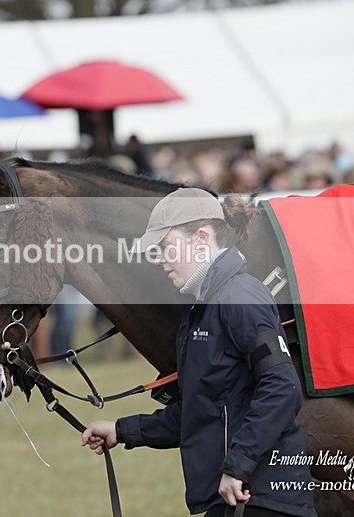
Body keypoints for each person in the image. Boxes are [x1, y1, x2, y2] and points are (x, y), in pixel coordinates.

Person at [81, 188, 315, 516]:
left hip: (259, 499)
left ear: (201, 237)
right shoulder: (200, 311)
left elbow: (282, 388)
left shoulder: (240, 297)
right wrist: (121, 430)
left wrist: (238, 467)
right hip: (233, 498)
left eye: (165, 247)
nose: (159, 259)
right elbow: (200, 410)